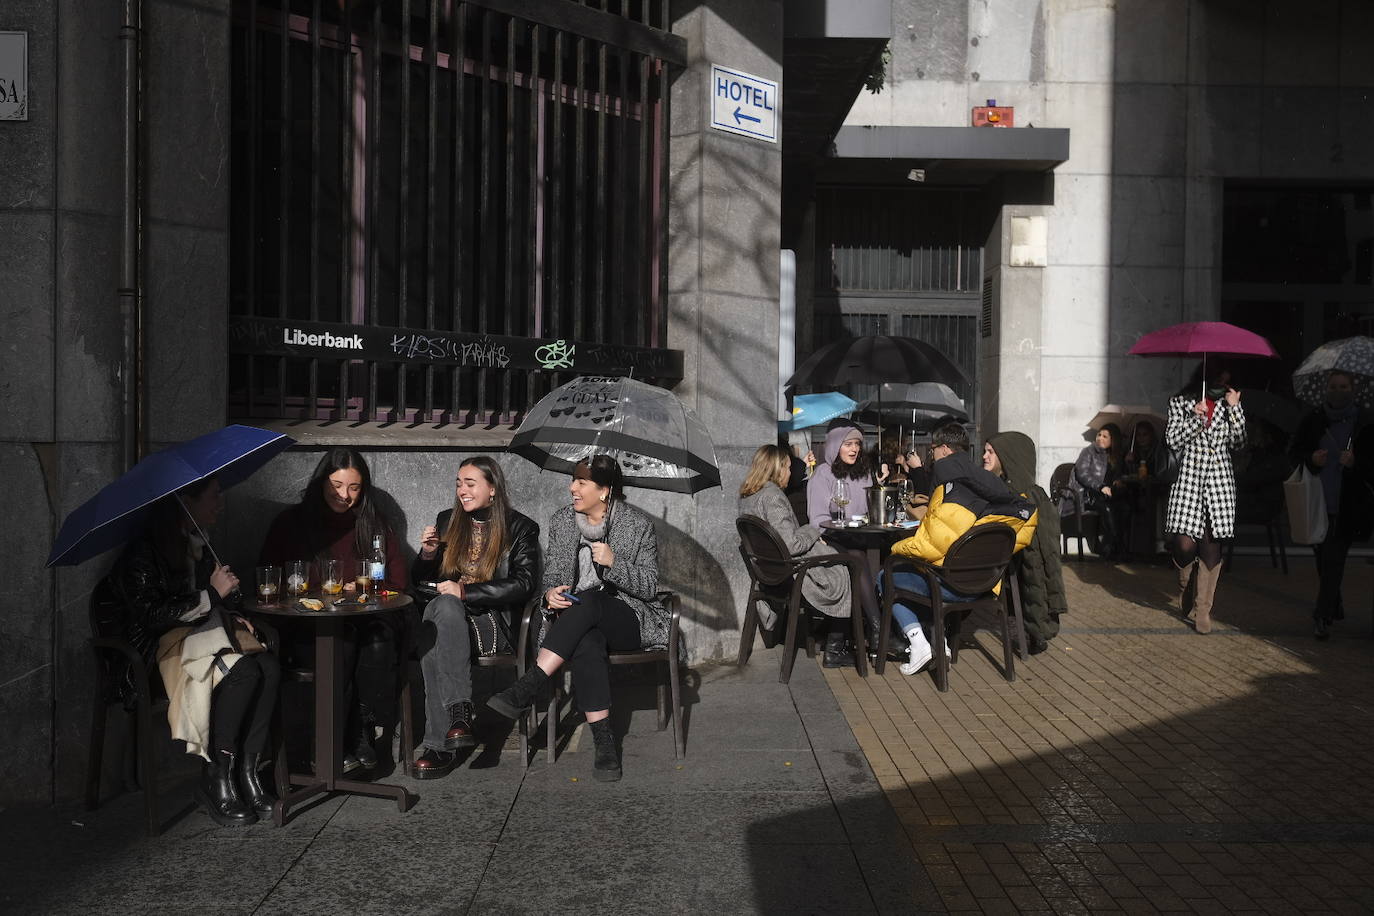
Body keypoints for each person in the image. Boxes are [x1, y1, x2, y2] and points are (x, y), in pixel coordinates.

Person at [96, 477, 280, 826]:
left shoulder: (195, 545)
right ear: (185, 503)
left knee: (268, 666)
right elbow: (151, 617)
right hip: (151, 656)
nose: (220, 504)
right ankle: (217, 779)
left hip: (197, 641)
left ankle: (247, 771)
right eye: (213, 497)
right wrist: (211, 595)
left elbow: (218, 603)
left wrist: (232, 606)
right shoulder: (143, 554)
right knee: (243, 673)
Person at [485, 455, 667, 782]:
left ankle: (529, 685)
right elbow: (553, 574)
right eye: (573, 480)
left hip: (628, 618)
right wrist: (550, 594)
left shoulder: (637, 525)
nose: (572, 488)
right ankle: (604, 742)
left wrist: (614, 563)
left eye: (581, 482)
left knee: (593, 600)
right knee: (588, 641)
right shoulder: (563, 521)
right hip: (577, 622)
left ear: (605, 491)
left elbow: (651, 587)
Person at [259, 447, 408, 771]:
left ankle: (361, 731)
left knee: (378, 639)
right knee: (344, 643)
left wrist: (366, 584)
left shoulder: (372, 522)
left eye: (354, 488)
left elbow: (396, 580)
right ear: (321, 482)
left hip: (364, 620)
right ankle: (329, 742)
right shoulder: (292, 523)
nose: (345, 495)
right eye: (337, 486)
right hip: (307, 627)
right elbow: (267, 577)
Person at [408, 456, 540, 778]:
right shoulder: (446, 521)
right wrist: (427, 555)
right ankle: (460, 716)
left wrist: (465, 592)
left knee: (434, 629)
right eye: (458, 483)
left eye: (470, 483)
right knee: (442, 612)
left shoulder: (520, 527)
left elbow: (524, 583)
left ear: (492, 488)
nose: (461, 491)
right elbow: (421, 579)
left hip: (491, 621)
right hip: (448, 616)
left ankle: (438, 744)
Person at [884, 423, 1037, 675]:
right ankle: (937, 639)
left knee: (887, 574)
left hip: (952, 585)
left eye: (933, 449)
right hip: (986, 583)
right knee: (919, 569)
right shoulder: (996, 492)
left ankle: (919, 643)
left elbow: (931, 545)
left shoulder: (952, 486)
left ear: (944, 449)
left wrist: (896, 547)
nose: (931, 454)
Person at [738, 444, 861, 667]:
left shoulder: (748, 495)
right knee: (847, 566)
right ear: (776, 469)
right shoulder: (773, 496)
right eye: (786, 467)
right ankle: (835, 647)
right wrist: (813, 529)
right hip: (790, 574)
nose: (790, 473)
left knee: (839, 559)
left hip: (767, 573)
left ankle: (826, 634)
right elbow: (792, 544)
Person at [1287, 369, 1374, 639]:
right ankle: (1333, 604)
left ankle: (1321, 616)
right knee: (1323, 560)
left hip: (1348, 504)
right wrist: (1312, 459)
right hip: (1317, 501)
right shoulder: (1313, 420)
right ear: (1325, 389)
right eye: (1334, 386)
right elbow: (1293, 453)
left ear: (1354, 388)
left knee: (1334, 559)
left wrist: (1356, 462)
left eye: (1344, 386)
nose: (1339, 391)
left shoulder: (1366, 422)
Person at [1165, 375, 1246, 634]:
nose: (1220, 380)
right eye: (1215, 373)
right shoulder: (1181, 402)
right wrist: (1196, 417)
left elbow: (1240, 443)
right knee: (1184, 544)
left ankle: (1203, 609)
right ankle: (1185, 583)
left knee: (1211, 547)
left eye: (1225, 376)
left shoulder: (1228, 402)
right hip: (1188, 480)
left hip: (1219, 482)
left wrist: (1235, 408)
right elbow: (1172, 440)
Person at [984, 432, 1066, 654]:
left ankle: (1025, 630)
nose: (984, 456)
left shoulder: (1022, 496)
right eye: (985, 451)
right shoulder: (1003, 489)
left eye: (991, 452)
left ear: (1008, 457)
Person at [1071, 424, 1131, 559]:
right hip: (1088, 495)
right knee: (1108, 509)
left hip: (1107, 496)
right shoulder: (1088, 452)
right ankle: (1119, 547)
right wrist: (1099, 486)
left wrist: (1124, 470)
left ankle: (1108, 547)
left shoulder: (1115, 456)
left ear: (1113, 440)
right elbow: (1082, 474)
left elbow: (1118, 476)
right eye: (1099, 435)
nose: (1100, 439)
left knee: (1125, 508)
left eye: (1105, 436)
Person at [806, 425, 873, 527]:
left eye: (857, 444)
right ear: (835, 447)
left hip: (866, 533)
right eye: (848, 444)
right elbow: (818, 517)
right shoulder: (823, 474)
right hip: (834, 536)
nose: (854, 449)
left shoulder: (863, 472)